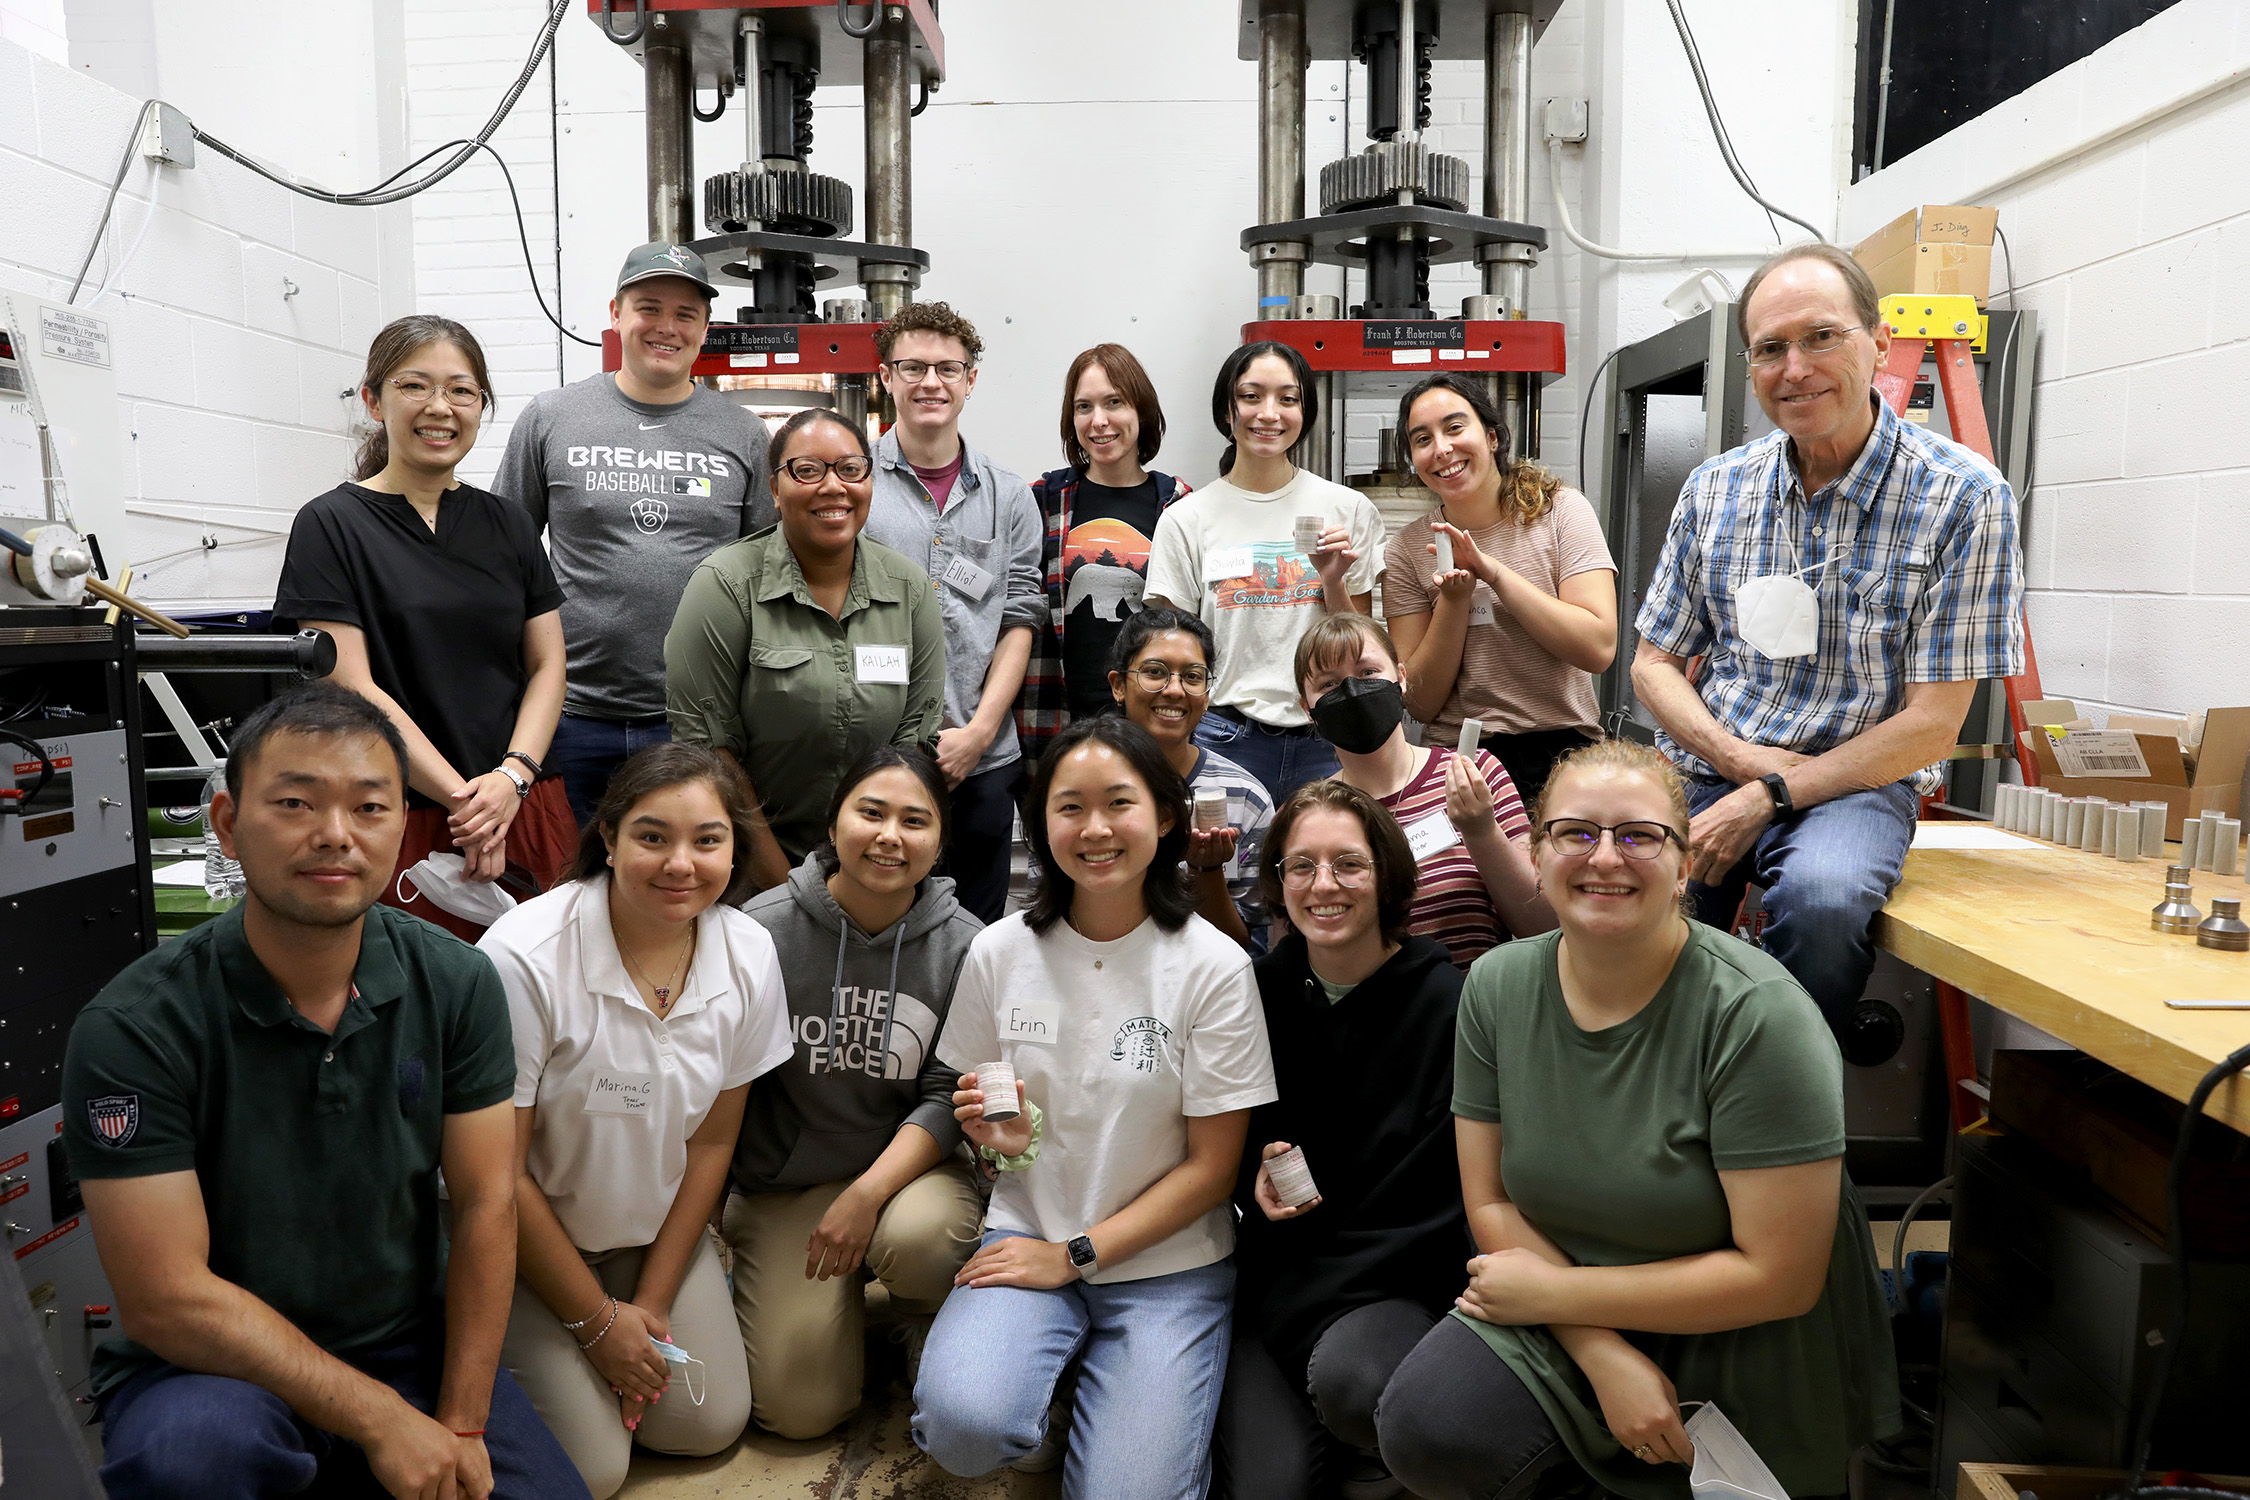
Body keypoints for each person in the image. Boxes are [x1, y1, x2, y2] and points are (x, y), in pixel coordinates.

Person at [63, 683, 588, 1500]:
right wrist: (379, 1422)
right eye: (297, 803)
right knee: (192, 1462)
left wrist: (459, 1424)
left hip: (405, 1348)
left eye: (371, 808)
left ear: (400, 828)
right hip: (209, 1371)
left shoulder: (455, 983)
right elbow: (167, 1300)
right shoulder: (135, 1026)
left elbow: (488, 1203)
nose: (335, 836)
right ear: (229, 825)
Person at [1373, 738, 1900, 1500]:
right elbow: (1490, 1200)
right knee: (1430, 1425)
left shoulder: (1758, 1015)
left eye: (1640, 836)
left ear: (1687, 866)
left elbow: (1779, 1278)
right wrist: (1597, 1348)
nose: (1605, 858)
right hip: (1566, 1282)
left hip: (1733, 1320)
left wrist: (1556, 1300)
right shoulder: (1495, 987)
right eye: (1576, 832)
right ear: (1537, 852)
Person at [1630, 242, 2022, 1026]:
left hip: (1856, 781)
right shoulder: (1717, 491)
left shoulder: (1963, 498)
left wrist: (1775, 793)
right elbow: (1653, 665)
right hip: (1716, 760)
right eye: (1770, 348)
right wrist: (1744, 767)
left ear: (1878, 341)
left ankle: (1781, 1108)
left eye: (1821, 337)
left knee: (1823, 903)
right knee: (1632, 891)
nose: (1795, 367)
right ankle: (1654, 1110)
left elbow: (1932, 723)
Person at [910, 715, 1278, 1498]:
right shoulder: (1000, 951)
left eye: (1119, 802)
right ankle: (1050, 1405)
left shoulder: (1212, 965)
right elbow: (999, 1143)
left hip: (1167, 1264)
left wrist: (1073, 1255)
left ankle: (1120, 1402)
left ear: (1166, 816)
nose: (1095, 828)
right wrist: (992, 1142)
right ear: (1041, 824)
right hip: (1026, 1232)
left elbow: (1214, 1172)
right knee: (963, 1428)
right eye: (1069, 807)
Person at [476, 744, 794, 1498]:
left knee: (704, 1425)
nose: (681, 863)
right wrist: (595, 1326)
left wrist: (647, 1307)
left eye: (707, 840)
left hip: (646, 1241)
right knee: (592, 1470)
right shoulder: (523, 957)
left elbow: (714, 1140)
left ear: (733, 850)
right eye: (653, 836)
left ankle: (604, 1347)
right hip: (519, 1241)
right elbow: (497, 1173)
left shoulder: (748, 952)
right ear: (610, 839)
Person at [274, 314, 573, 943]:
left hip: (520, 803)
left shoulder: (510, 524)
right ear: (373, 400)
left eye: (462, 391)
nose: (440, 407)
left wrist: (511, 779)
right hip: (398, 815)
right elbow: (350, 685)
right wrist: (469, 805)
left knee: (535, 1015)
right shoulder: (331, 524)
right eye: (416, 386)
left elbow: (548, 665)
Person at [727, 745, 989, 1440]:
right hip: (789, 1182)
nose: (889, 837)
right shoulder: (761, 929)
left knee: (924, 1243)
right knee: (800, 1413)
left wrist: (867, 1195)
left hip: (909, 1180)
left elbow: (947, 1094)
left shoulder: (968, 946)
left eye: (914, 820)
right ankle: (804, 1302)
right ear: (835, 820)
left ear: (940, 839)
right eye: (870, 813)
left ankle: (919, 1313)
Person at [1215, 780, 1466, 1500]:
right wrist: (1247, 1176)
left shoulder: (1451, 1005)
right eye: (1302, 866)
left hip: (1391, 1287)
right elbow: (1227, 1146)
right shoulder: (1255, 993)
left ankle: (1373, 1447)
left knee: (1357, 1384)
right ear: (1278, 881)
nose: (1324, 885)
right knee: (1270, 1487)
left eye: (1348, 864)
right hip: (1276, 1286)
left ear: (1387, 876)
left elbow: (1437, 1206)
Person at [491, 242, 775, 826]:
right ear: (616, 313)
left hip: (696, 719)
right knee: (565, 885)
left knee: (682, 882)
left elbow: (767, 574)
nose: (666, 328)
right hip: (566, 717)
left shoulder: (743, 433)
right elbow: (502, 561)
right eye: (649, 308)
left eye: (685, 314)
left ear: (704, 329)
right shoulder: (551, 417)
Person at [665, 407, 945, 892]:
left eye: (850, 469)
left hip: (876, 867)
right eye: (807, 471)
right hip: (750, 869)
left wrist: (862, 876)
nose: (833, 487)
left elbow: (911, 748)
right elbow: (711, 755)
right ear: (775, 489)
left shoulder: (909, 589)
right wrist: (791, 892)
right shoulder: (726, 585)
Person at [861, 301, 1045, 923]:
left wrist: (977, 736)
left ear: (970, 381)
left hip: (984, 756)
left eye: (947, 368)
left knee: (976, 931)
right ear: (885, 378)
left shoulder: (1010, 496)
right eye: (912, 367)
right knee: (876, 919)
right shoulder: (852, 484)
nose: (929, 383)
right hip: (875, 749)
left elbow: (1019, 622)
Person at [1144, 340, 1383, 805]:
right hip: (1220, 737)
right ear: (1227, 409)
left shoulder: (1348, 508)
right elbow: (1174, 653)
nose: (1268, 413)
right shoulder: (1186, 519)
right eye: (1251, 396)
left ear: (1304, 411)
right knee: (1218, 874)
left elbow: (1365, 650)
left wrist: (1333, 581)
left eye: (1287, 398)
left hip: (1328, 737)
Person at [1383, 373, 1617, 809]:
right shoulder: (1408, 550)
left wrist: (1495, 575)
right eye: (1422, 439)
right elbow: (1419, 702)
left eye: (1455, 428)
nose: (1442, 449)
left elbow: (1598, 647)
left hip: (1562, 754)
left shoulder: (1561, 511)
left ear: (1491, 437)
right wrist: (1453, 602)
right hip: (1458, 758)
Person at [1295, 613, 1549, 968]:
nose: (1352, 691)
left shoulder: (1476, 773)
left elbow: (1540, 924)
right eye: (1329, 685)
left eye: (1368, 673)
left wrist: (1481, 831)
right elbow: (1293, 948)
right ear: (1307, 709)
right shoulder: (1308, 814)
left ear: (1400, 677)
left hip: (1470, 1011)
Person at [1018, 343, 1193, 766]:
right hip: (1055, 718)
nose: (1099, 421)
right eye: (1084, 407)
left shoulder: (1180, 504)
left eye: (1114, 402)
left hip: (1154, 722)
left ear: (1142, 412)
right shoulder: (1042, 500)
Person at [1107, 605, 1273, 950]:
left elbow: (1244, 942)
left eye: (1193, 677)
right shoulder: (1079, 786)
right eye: (1155, 672)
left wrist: (1207, 871)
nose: (1174, 690)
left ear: (1208, 694)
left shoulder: (1244, 797)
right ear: (1119, 685)